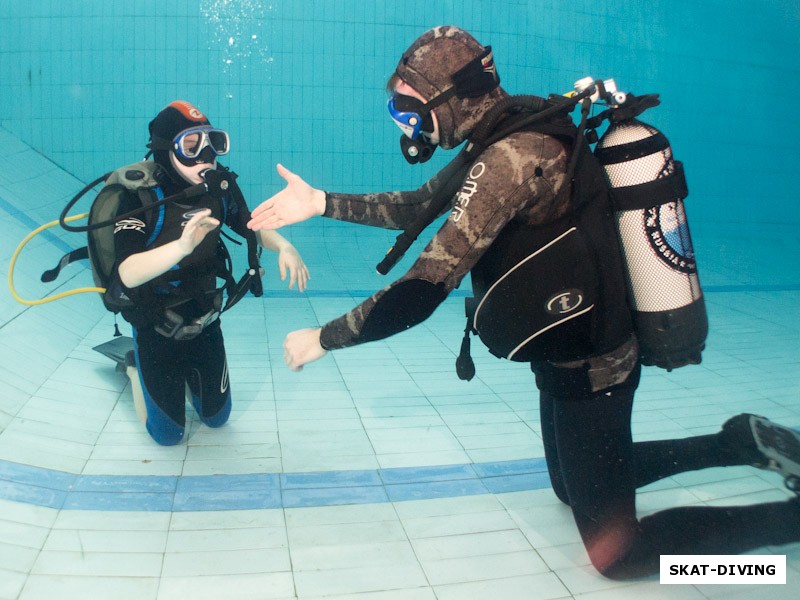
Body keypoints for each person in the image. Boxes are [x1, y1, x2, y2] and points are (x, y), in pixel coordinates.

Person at [247, 26, 800, 579]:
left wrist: (324, 338)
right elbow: (420, 203)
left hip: (592, 365)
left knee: (619, 557)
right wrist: (320, 202)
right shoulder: (502, 134)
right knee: (570, 486)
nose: (407, 126)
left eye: (408, 109)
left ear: (449, 95)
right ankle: (738, 442)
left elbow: (420, 292)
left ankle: (784, 528)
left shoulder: (512, 156)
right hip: (561, 348)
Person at [113, 100, 310, 446]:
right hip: (154, 322)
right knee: (168, 436)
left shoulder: (218, 190)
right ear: (165, 149)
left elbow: (251, 225)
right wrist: (181, 247)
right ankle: (134, 367)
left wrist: (284, 247)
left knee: (218, 419)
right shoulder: (139, 198)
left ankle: (185, 376)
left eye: (212, 142)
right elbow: (126, 273)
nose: (205, 154)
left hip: (204, 318)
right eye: (191, 145)